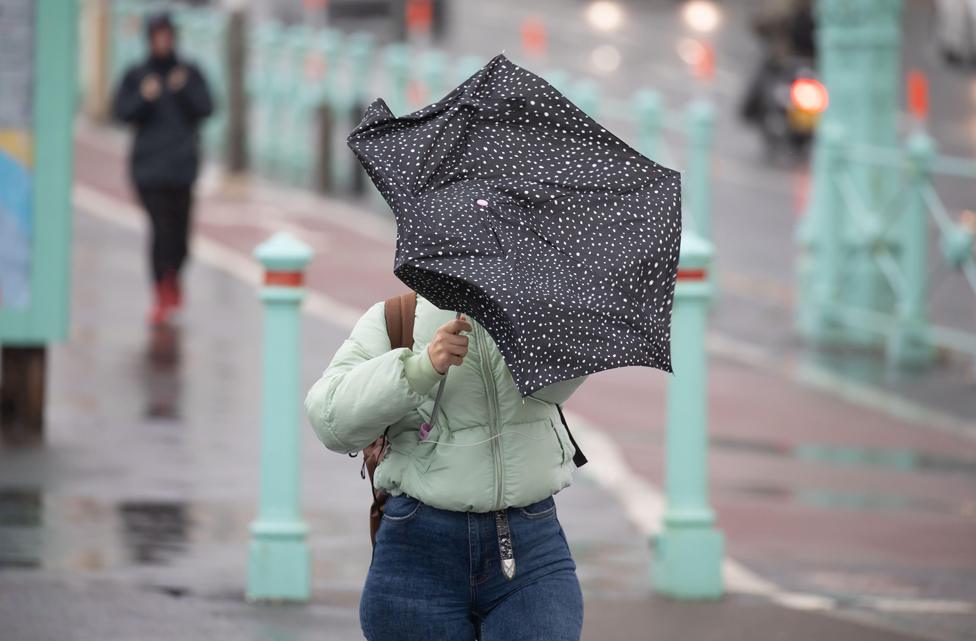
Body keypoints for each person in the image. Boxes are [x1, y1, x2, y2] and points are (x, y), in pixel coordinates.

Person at [305, 293, 588, 641]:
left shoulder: (542, 311)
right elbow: (330, 421)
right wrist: (421, 367)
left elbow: (549, 397)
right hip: (418, 546)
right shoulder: (396, 318)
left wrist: (570, 345)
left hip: (530, 544)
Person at [112, 12, 213, 325]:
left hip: (182, 168)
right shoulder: (137, 75)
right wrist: (144, 96)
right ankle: (160, 291)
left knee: (181, 239)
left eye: (167, 34)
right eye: (157, 35)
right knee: (160, 231)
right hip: (148, 170)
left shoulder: (188, 72)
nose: (163, 41)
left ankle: (172, 277)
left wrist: (183, 90)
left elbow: (208, 108)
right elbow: (119, 112)